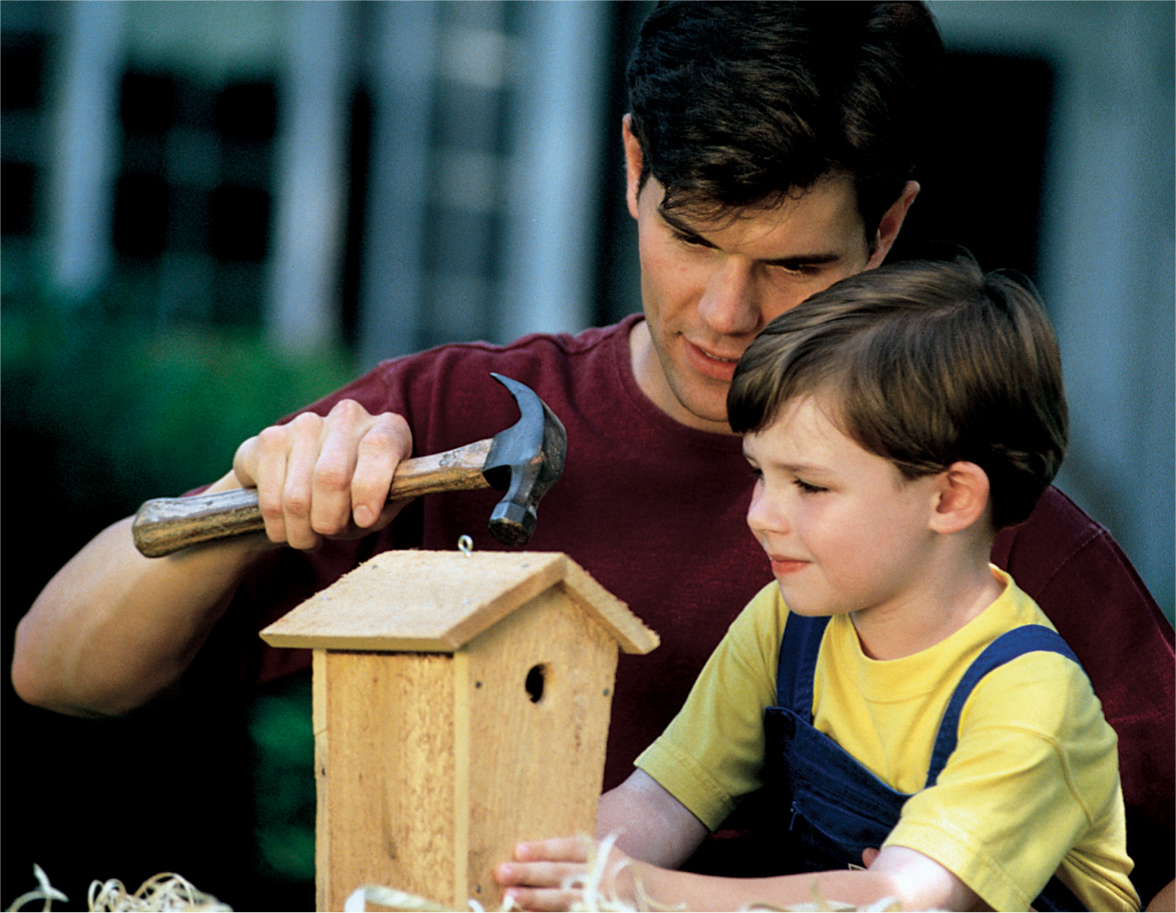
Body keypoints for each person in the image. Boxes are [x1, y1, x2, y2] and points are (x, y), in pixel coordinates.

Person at [11, 1, 1173, 904]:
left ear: (888, 228)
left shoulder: (980, 527)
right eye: (692, 236)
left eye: (796, 266)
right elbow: (56, 670)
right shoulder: (451, 421)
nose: (725, 312)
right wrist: (243, 490)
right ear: (631, 169)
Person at [495, 255, 1140, 913]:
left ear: (949, 498)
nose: (760, 515)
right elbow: (661, 799)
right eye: (758, 473)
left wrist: (632, 888)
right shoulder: (786, 624)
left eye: (809, 484)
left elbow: (898, 900)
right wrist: (528, 870)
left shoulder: (1032, 696)